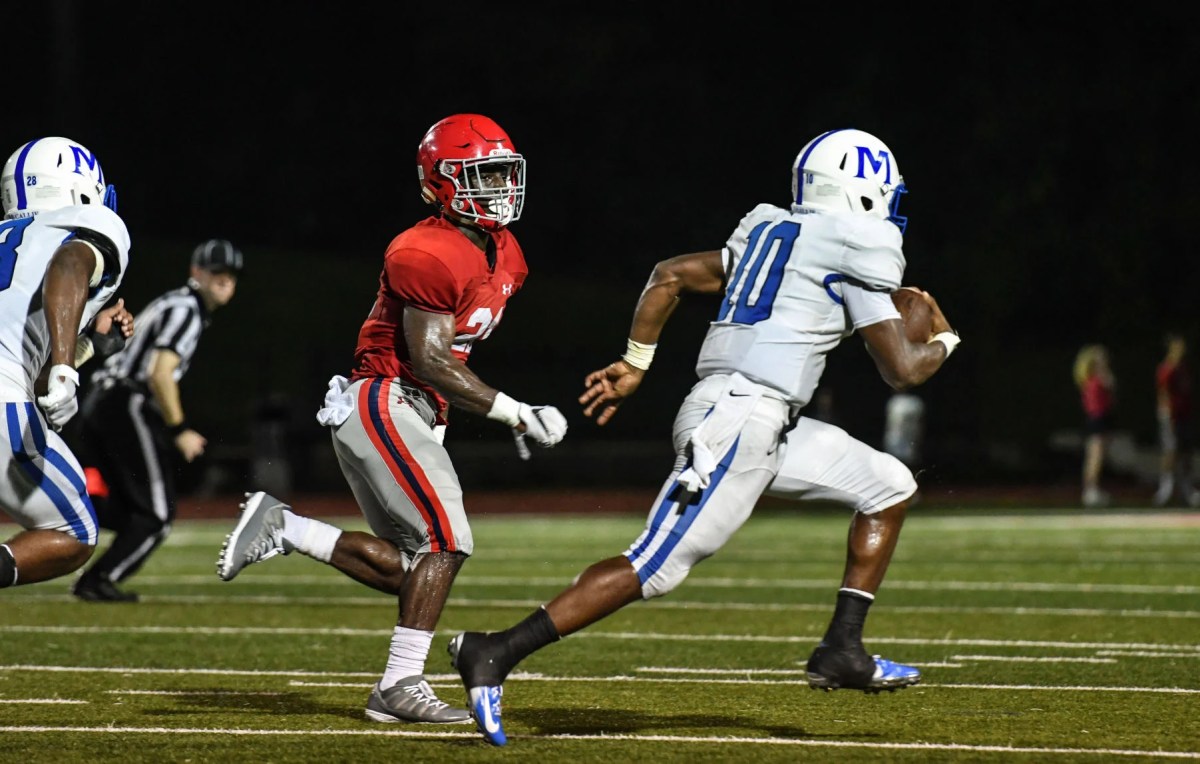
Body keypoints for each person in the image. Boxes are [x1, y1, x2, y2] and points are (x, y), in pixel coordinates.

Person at [448, 128, 960, 746]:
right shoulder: (855, 247)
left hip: (760, 418)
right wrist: (944, 339)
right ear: (863, 192)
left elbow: (670, 275)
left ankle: (842, 649)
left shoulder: (774, 230)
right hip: (739, 420)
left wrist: (637, 362)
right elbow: (903, 369)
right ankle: (494, 651)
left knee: (889, 484)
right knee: (655, 566)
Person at [214, 114, 568, 724]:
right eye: (482, 177)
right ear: (441, 184)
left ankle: (288, 528)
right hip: (385, 397)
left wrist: (448, 420)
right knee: (448, 540)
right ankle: (399, 686)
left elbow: (452, 357)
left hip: (410, 408)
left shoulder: (507, 254)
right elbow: (429, 360)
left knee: (414, 566)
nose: (500, 189)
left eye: (504, 173)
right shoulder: (425, 249)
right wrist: (514, 411)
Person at [70, 239, 244, 602]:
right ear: (197, 273)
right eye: (217, 273)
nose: (225, 281)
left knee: (133, 510)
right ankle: (97, 579)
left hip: (104, 401)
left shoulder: (176, 303)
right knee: (157, 515)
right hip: (124, 402)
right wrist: (179, 429)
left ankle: (64, 510)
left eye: (230, 275)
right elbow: (160, 373)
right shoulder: (187, 309)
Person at [0, 137, 134, 591]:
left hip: (8, 382)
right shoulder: (87, 223)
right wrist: (65, 368)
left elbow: (21, 342)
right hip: (2, 399)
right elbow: (71, 262)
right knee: (73, 532)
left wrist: (84, 347)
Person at [1153, 333, 1198, 507]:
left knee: (1187, 452)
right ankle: (1165, 489)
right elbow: (1163, 394)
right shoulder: (1166, 369)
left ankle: (1187, 488)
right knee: (1170, 451)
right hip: (1171, 416)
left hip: (1185, 415)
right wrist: (1166, 415)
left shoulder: (1184, 368)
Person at [1073, 344, 1116, 508]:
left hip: (1100, 418)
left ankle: (1092, 489)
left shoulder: (1092, 378)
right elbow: (1110, 385)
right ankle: (1090, 490)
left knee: (1096, 456)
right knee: (1095, 457)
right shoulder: (1094, 378)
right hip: (1096, 419)